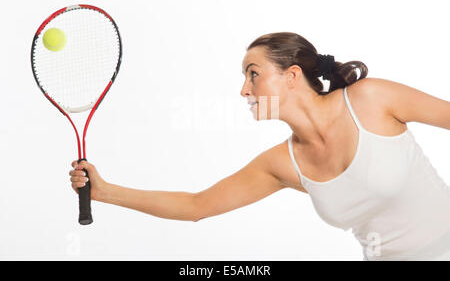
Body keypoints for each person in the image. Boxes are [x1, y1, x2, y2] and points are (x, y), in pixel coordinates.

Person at [69, 32, 450, 261]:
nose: (244, 90)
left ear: (292, 77)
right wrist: (104, 193)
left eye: (254, 74)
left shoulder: (370, 99)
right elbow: (196, 206)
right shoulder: (282, 164)